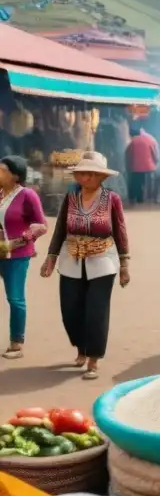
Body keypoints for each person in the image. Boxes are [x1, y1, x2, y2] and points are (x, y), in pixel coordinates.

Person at [40, 152, 129, 380]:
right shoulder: (70, 198)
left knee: (96, 311)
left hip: (103, 261)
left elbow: (119, 230)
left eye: (90, 174)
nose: (85, 177)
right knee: (70, 310)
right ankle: (80, 347)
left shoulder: (112, 200)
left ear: (101, 177)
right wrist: (50, 258)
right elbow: (60, 228)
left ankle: (93, 358)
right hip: (71, 260)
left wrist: (124, 264)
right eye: (82, 173)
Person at [0, 156, 47, 360]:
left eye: (2, 170)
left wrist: (22, 240)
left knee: (15, 299)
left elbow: (41, 225)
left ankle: (16, 343)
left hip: (16, 255)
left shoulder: (27, 195)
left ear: (15, 175)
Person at [124, 126, 159, 205]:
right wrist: (156, 162)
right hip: (149, 167)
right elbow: (154, 153)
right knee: (146, 183)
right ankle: (146, 199)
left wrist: (128, 166)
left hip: (136, 167)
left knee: (135, 182)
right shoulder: (149, 140)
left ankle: (133, 198)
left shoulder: (133, 141)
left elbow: (128, 154)